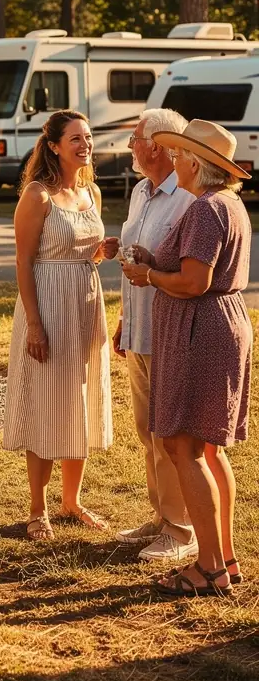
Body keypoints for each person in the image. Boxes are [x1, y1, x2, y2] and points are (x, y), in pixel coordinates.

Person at [122, 119, 252, 597]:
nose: (173, 161)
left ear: (196, 163)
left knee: (184, 446)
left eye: (178, 155)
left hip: (201, 330)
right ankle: (226, 560)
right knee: (209, 449)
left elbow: (195, 282)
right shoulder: (230, 204)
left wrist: (149, 277)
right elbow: (197, 270)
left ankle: (209, 567)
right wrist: (154, 262)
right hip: (220, 324)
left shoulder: (204, 209)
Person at [3, 110, 114, 540]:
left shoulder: (92, 193)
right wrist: (35, 324)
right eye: (75, 138)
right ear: (53, 146)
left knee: (80, 402)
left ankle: (72, 501)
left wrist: (101, 251)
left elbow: (82, 252)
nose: (85, 144)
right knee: (47, 403)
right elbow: (24, 260)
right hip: (47, 304)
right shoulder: (37, 195)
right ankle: (37, 509)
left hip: (85, 304)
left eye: (88, 137)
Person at [107, 109, 196, 563]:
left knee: (169, 433)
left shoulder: (187, 198)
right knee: (147, 431)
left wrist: (149, 269)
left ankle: (182, 531)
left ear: (157, 145)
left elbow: (191, 271)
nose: (129, 147)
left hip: (171, 332)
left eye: (135, 139)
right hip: (140, 328)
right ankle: (161, 516)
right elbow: (138, 260)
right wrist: (126, 319)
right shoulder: (141, 191)